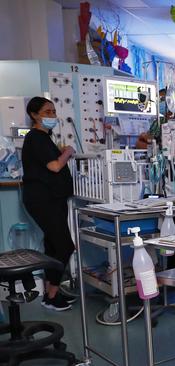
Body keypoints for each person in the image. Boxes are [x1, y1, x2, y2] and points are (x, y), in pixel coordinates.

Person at [22, 97, 77, 311]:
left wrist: (60, 150)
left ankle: (49, 293)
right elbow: (54, 167)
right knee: (65, 246)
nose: (52, 116)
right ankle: (53, 296)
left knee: (53, 246)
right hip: (43, 200)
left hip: (51, 198)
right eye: (47, 112)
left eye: (54, 112)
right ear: (35, 115)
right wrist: (68, 152)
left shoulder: (45, 138)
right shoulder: (36, 137)